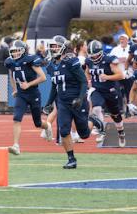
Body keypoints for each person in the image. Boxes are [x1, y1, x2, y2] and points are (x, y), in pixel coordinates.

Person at [44, 35, 104, 169]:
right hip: (63, 103)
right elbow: (55, 85)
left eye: (56, 46)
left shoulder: (71, 61)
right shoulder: (51, 65)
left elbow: (83, 81)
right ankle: (71, 159)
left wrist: (80, 98)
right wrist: (48, 102)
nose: (54, 49)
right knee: (64, 131)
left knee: (84, 134)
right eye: (52, 46)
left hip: (77, 101)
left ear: (63, 48)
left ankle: (94, 121)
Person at [5, 40, 52, 155]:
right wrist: (15, 89)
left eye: (17, 51)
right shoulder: (10, 62)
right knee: (16, 118)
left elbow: (43, 77)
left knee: (38, 123)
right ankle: (16, 145)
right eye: (13, 51)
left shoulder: (30, 59)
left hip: (33, 93)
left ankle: (47, 126)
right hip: (21, 94)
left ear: (23, 51)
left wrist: (29, 84)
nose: (15, 53)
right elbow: (12, 75)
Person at [85, 40, 126, 146]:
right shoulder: (89, 61)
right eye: (91, 56)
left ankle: (121, 132)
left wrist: (107, 77)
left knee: (115, 114)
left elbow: (121, 75)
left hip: (110, 90)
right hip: (97, 89)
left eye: (95, 55)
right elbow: (87, 72)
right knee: (96, 108)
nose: (93, 58)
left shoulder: (109, 60)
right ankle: (102, 131)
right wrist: (89, 81)